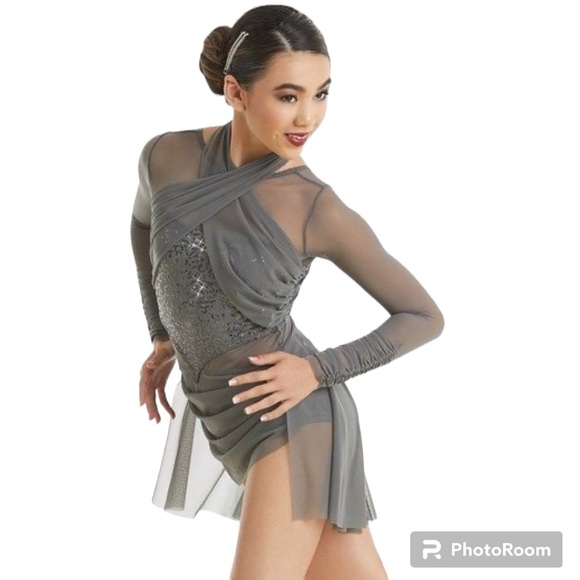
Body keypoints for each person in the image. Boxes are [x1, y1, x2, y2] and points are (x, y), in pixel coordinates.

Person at [130, 5, 444, 579]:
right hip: (227, 419)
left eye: (321, 94)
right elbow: (144, 226)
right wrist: (162, 334)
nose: (309, 117)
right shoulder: (165, 156)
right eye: (288, 95)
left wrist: (318, 370)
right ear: (235, 91)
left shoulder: (313, 205)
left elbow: (423, 315)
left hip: (295, 421)